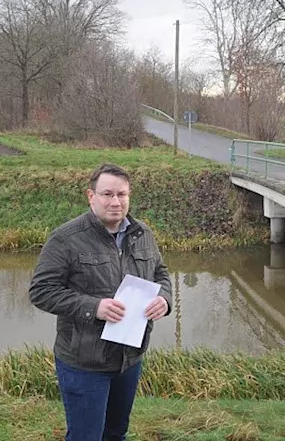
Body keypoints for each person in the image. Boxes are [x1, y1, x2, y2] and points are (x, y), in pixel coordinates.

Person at [30, 163, 174, 441]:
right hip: (85, 363)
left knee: (116, 434)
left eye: (122, 194)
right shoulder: (66, 239)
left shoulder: (142, 234)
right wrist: (94, 307)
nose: (115, 202)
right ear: (91, 196)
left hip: (129, 360)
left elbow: (161, 273)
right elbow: (41, 291)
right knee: (86, 437)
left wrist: (164, 300)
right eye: (107, 194)